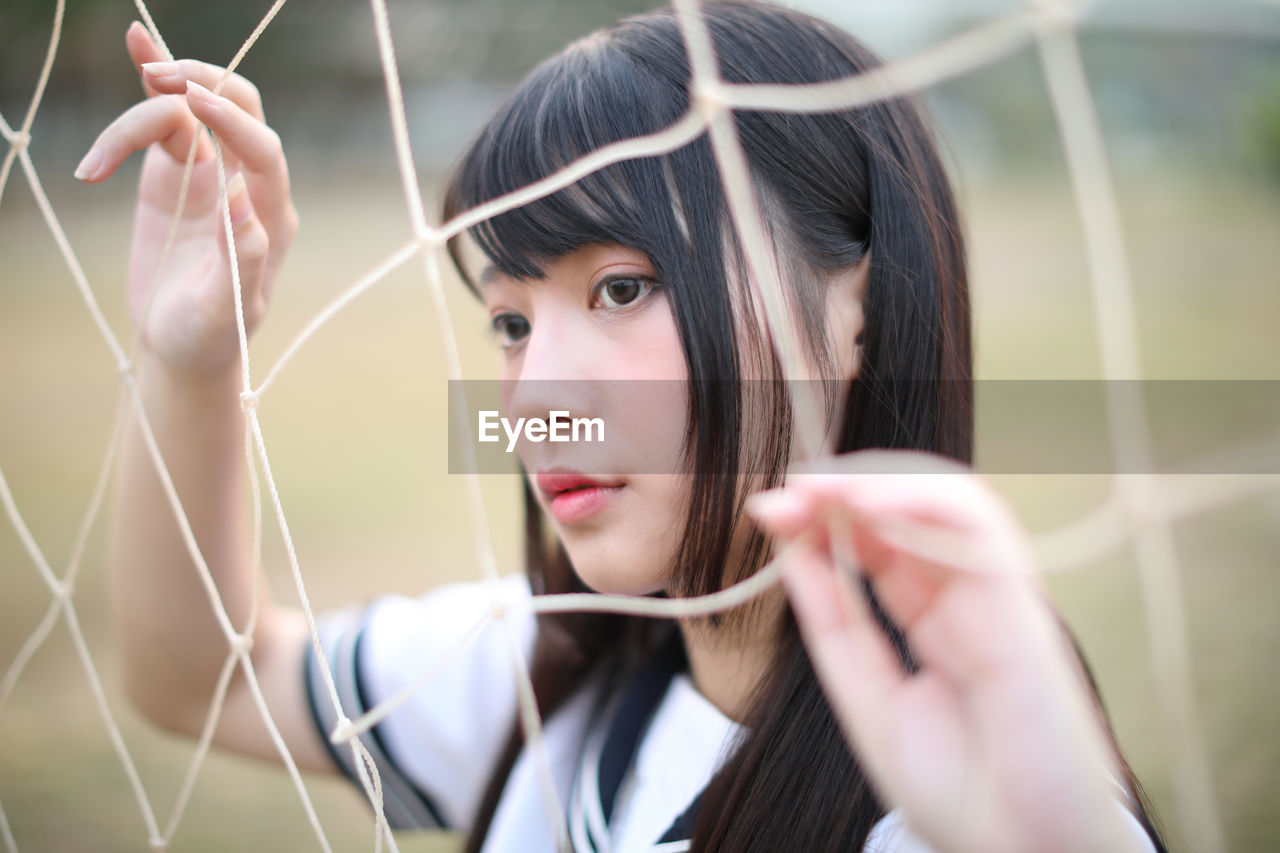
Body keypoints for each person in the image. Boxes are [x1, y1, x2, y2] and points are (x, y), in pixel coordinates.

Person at [91, 2, 1166, 851]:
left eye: (620, 288)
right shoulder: (539, 669)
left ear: (861, 312)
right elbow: (203, 678)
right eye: (509, 321)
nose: (531, 391)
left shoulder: (975, 805)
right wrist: (192, 361)